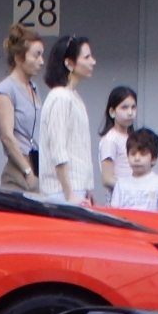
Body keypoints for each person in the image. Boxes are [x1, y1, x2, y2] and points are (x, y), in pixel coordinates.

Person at [37, 35, 98, 205]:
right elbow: (58, 149)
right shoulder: (60, 97)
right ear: (69, 63)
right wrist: (69, 193)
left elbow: (82, 147)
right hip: (61, 191)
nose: (92, 61)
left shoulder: (73, 96)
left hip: (76, 188)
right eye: (86, 57)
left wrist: (89, 187)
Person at [0, 24, 44, 193]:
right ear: (19, 58)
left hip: (38, 163)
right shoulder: (6, 89)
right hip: (20, 169)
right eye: (36, 55)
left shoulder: (34, 88)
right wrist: (27, 171)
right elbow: (7, 136)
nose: (41, 62)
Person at [112, 128, 158, 212]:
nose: (137, 158)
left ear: (153, 159)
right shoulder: (121, 184)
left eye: (143, 154)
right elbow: (114, 213)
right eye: (133, 154)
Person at [96, 86, 138, 195]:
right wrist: (132, 188)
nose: (130, 112)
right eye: (124, 107)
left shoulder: (132, 137)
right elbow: (107, 179)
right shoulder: (111, 140)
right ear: (112, 112)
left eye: (133, 107)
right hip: (119, 199)